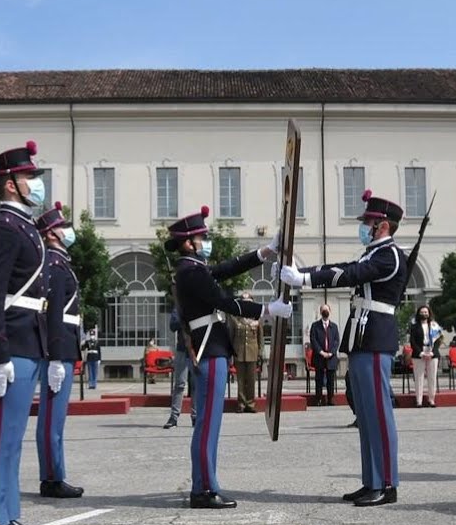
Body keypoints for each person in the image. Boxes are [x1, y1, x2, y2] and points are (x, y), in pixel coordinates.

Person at [281, 189, 409, 507]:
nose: (364, 226)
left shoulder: (389, 255)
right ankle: (371, 481)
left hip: (375, 336)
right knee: (366, 415)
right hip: (362, 337)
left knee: (379, 415)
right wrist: (303, 273)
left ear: (382, 225)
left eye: (368, 221)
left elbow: (350, 274)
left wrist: (303, 280)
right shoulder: (372, 253)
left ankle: (387, 483)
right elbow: (344, 266)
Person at [169, 206, 288, 508]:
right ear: (189, 243)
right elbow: (222, 301)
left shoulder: (192, 268)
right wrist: (266, 310)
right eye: (202, 237)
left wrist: (266, 251)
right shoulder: (190, 271)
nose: (206, 242)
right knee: (207, 425)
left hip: (212, 347)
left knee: (208, 424)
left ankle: (205, 485)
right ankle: (204, 489)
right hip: (210, 349)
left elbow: (226, 269)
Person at [0, 140, 50, 525]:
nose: (35, 182)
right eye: (28, 176)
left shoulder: (24, 227)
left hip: (28, 342)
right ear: (9, 184)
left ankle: (9, 513)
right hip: (10, 346)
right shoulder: (2, 229)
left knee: (13, 439)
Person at [35, 202, 84, 499]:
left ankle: (54, 474)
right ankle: (52, 478)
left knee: (56, 417)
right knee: (52, 417)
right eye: (63, 226)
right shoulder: (54, 263)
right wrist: (54, 357)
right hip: (59, 346)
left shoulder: (60, 261)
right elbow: (52, 313)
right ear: (52, 234)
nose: (68, 230)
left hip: (64, 343)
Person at [309, 305, 341, 405]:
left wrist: (331, 352)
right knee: (319, 379)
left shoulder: (334, 326)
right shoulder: (315, 326)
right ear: (320, 312)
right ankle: (318, 399)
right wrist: (321, 352)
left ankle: (330, 399)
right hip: (319, 356)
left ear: (330, 311)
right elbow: (313, 340)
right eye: (323, 310)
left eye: (326, 310)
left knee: (330, 379)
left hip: (331, 357)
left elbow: (336, 341)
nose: (325, 311)